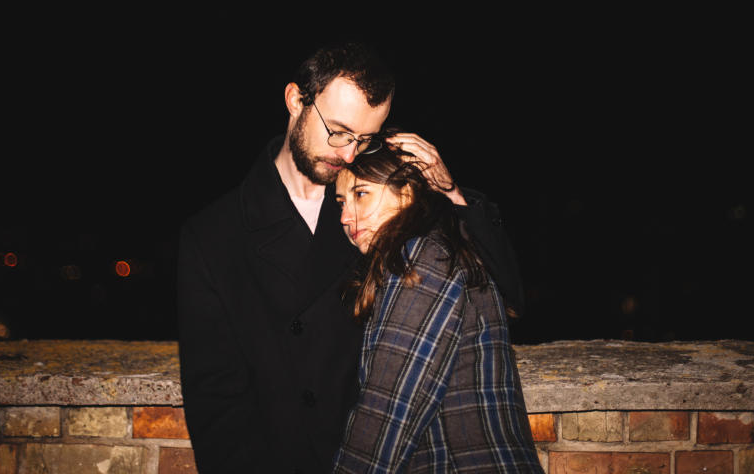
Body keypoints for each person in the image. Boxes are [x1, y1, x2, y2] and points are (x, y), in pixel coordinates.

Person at [177, 42, 526, 473]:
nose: (347, 154)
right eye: (339, 131)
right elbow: (217, 404)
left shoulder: (378, 212)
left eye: (363, 139)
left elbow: (496, 294)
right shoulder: (212, 236)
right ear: (295, 101)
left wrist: (451, 194)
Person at [332, 145, 542, 473]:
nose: (345, 217)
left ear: (409, 192)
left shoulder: (422, 259)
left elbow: (388, 411)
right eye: (341, 201)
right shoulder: (439, 250)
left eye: (361, 194)